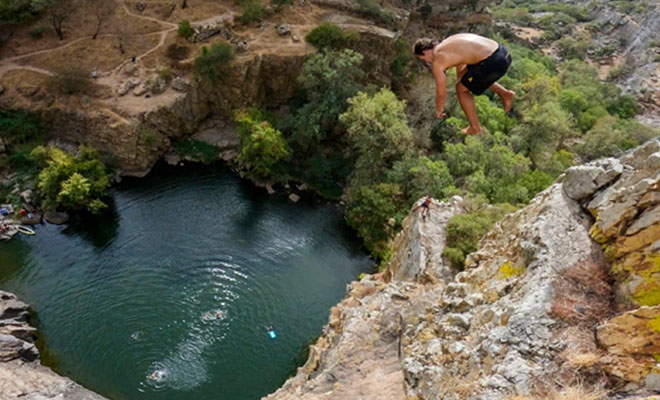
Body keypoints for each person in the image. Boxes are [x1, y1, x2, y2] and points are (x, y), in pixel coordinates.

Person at [413, 33, 515, 135]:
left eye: (423, 59)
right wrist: (462, 79)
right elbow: (462, 63)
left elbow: (441, 92)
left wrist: (439, 109)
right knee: (468, 80)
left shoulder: (438, 60)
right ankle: (505, 94)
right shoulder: (448, 42)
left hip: (494, 63)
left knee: (460, 89)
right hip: (503, 53)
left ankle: (475, 128)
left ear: (425, 52)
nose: (427, 63)